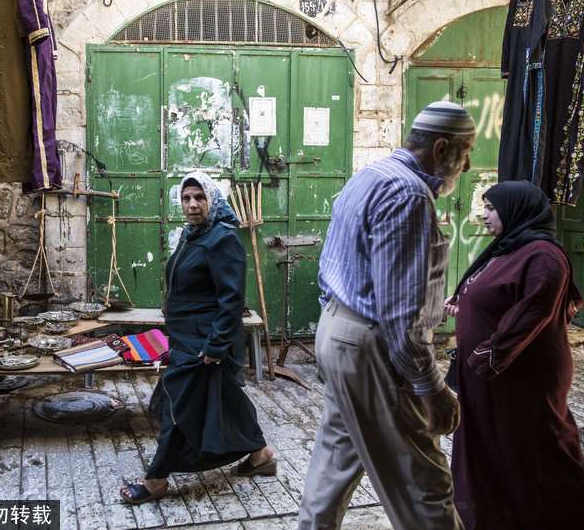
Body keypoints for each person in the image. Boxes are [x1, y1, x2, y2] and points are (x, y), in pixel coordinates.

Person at [299, 101, 476, 530]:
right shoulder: (408, 193)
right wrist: (431, 388)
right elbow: (401, 314)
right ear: (440, 148)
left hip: (339, 332)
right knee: (423, 487)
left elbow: (331, 265)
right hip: (372, 347)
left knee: (334, 466)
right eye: (465, 153)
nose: (467, 166)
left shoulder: (370, 176)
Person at [445, 181, 584, 530]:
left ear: (515, 210)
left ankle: (580, 506)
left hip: (522, 371)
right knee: (496, 441)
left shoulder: (544, 256)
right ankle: (500, 512)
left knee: (536, 442)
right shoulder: (509, 248)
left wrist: (487, 355)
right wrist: (465, 303)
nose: (485, 214)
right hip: (493, 369)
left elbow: (532, 312)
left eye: (491, 208)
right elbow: (496, 293)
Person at [120, 171, 275, 505]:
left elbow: (231, 299)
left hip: (205, 340)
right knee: (227, 397)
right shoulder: (193, 235)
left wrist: (217, 345)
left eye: (199, 198)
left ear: (212, 200)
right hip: (185, 335)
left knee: (180, 405)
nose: (192, 205)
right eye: (186, 198)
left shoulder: (223, 239)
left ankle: (156, 479)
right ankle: (261, 454)